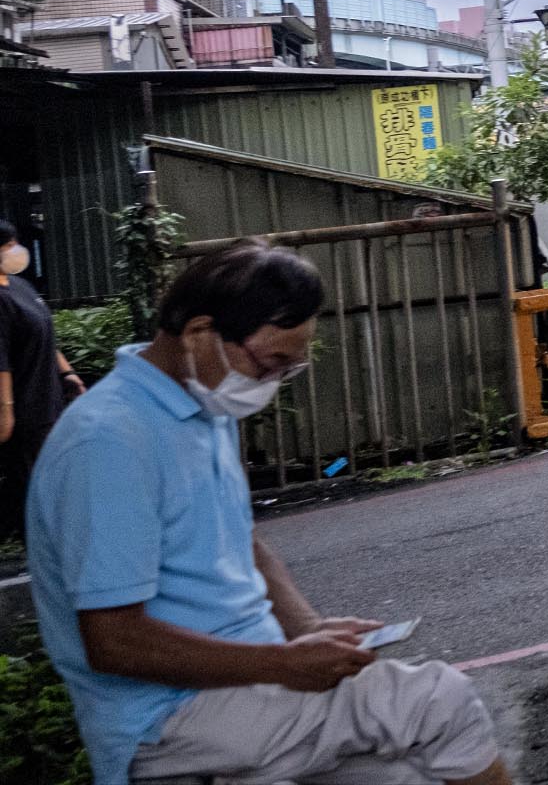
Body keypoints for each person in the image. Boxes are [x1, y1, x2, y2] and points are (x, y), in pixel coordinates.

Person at [26, 241, 514, 785]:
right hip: (169, 718)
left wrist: (307, 630)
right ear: (198, 333)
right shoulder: (109, 442)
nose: (270, 385)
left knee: (403, 775)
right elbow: (114, 640)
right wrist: (284, 664)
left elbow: (242, 540)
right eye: (269, 363)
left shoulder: (196, 404)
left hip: (248, 689)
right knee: (434, 699)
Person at [1, 218, 81, 547]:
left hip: (49, 402)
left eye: (14, 242)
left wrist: (68, 373)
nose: (15, 250)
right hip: (26, 410)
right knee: (35, 489)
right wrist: (6, 412)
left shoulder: (19, 286)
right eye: (7, 246)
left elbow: (46, 335)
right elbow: (1, 361)